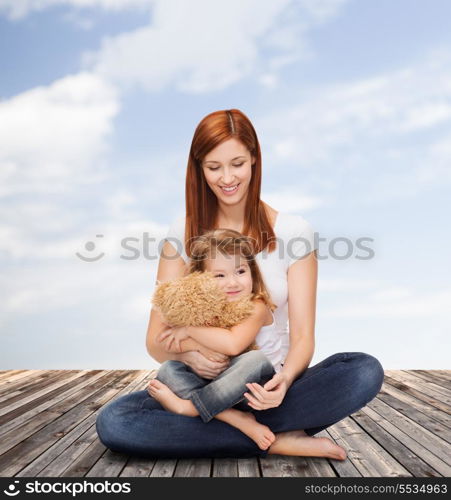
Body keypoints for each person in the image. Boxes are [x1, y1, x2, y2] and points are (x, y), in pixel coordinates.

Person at [96, 108, 384, 460]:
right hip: (202, 385)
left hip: (268, 386)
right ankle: (274, 438)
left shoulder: (293, 232)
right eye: (213, 167)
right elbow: (156, 341)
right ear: (198, 169)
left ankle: (234, 425)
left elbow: (303, 337)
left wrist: (285, 382)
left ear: (254, 161)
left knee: (362, 370)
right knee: (116, 421)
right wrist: (189, 356)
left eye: (237, 164)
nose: (227, 177)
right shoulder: (182, 233)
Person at [149, 228, 281, 451]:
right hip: (219, 392)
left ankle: (190, 409)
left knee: (255, 359)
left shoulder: (256, 306)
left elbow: (233, 345)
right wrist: (191, 346)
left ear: (252, 272)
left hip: (257, 391)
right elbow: (166, 342)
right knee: (168, 370)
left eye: (240, 271)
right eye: (219, 275)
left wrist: (189, 330)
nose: (233, 283)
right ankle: (231, 418)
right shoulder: (205, 310)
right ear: (201, 280)